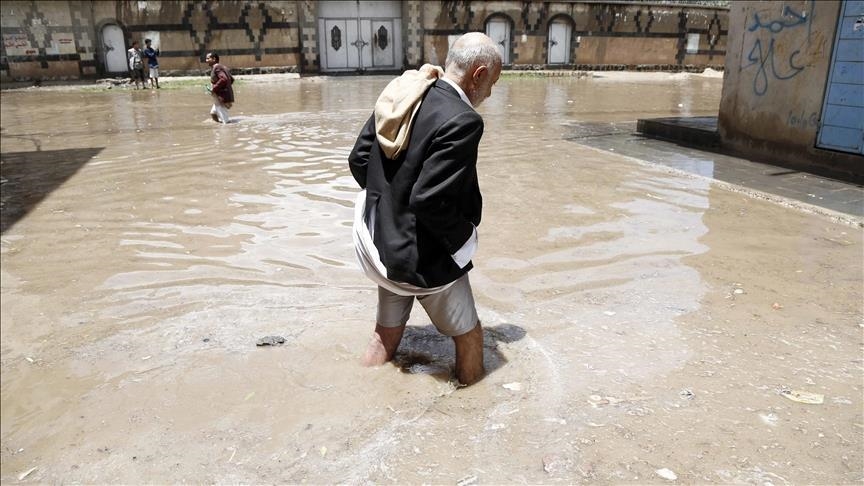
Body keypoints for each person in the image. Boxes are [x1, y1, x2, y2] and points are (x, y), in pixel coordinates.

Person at [348, 32, 502, 386]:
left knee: (383, 337)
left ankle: (363, 391)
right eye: (492, 83)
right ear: (478, 74)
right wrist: (465, 240)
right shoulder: (464, 120)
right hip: (423, 260)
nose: (489, 93)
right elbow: (431, 200)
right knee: (470, 336)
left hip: (382, 249)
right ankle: (472, 408)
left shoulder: (405, 93)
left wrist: (391, 209)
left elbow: (359, 160)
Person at [205, 52, 234, 124]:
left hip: (220, 97)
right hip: (220, 96)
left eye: (208, 58)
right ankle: (217, 129)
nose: (206, 60)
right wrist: (226, 89)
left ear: (214, 59)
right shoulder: (222, 67)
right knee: (213, 113)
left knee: (226, 122)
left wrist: (214, 88)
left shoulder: (217, 67)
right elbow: (231, 79)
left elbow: (224, 79)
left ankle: (225, 132)